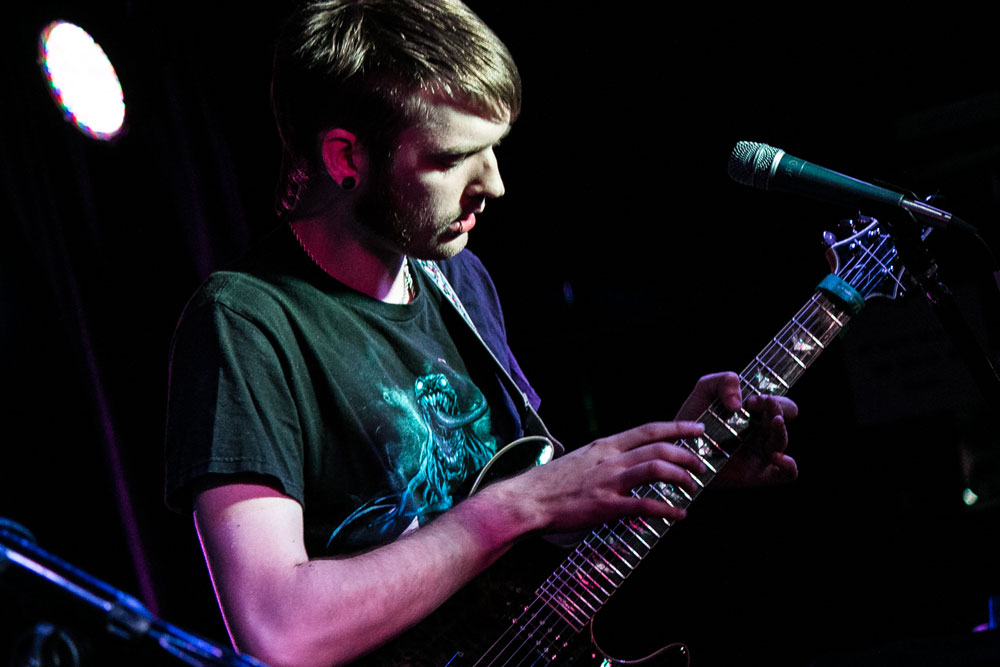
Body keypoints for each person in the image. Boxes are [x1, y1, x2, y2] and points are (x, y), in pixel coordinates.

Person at [163, 1, 799, 665]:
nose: (492, 182)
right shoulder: (245, 321)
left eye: (493, 147)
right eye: (453, 157)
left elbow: (541, 526)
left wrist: (672, 463)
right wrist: (516, 505)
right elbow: (278, 629)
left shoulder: (459, 278)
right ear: (346, 156)